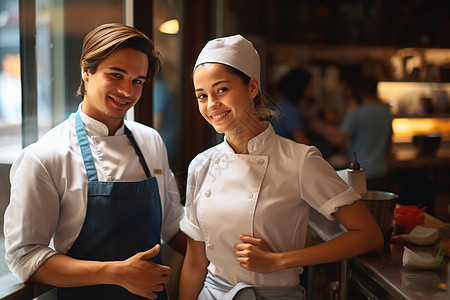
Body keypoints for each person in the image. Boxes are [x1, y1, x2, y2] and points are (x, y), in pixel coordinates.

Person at [178, 34, 383, 300]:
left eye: (222, 90)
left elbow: (368, 235)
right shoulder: (201, 165)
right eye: (201, 96)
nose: (211, 104)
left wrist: (279, 261)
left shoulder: (300, 160)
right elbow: (195, 263)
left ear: (252, 87)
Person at [4, 23, 186, 300]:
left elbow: (172, 222)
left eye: (138, 80)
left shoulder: (150, 141)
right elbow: (25, 256)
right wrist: (116, 273)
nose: (127, 91)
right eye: (116, 75)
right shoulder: (45, 156)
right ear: (86, 72)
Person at [310, 76, 393, 190]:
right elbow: (389, 142)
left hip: (361, 173)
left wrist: (320, 128)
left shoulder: (357, 113)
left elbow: (339, 138)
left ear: (359, 92)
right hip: (381, 171)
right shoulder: (386, 112)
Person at [271, 68, 311, 145]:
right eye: (309, 86)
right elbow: (302, 142)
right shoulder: (289, 110)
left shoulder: (284, 104)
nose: (311, 90)